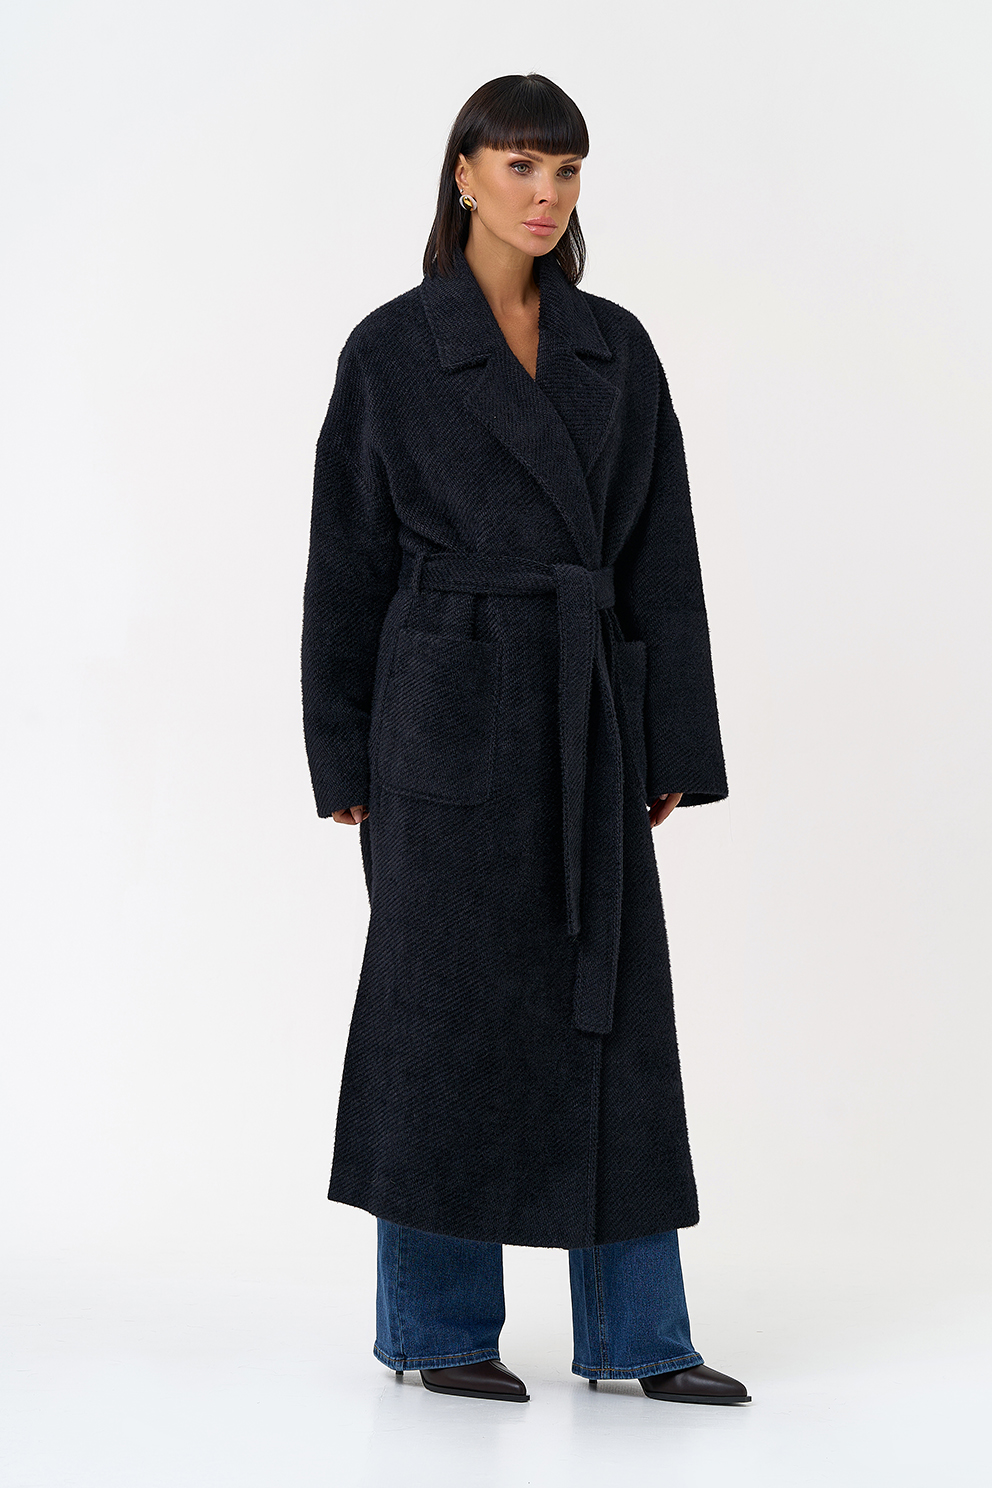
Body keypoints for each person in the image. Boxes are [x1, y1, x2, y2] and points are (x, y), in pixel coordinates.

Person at [301, 73, 750, 1407]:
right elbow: (346, 562)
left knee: (615, 1017)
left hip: (585, 709)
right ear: (464, 174)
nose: (546, 196)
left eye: (565, 171)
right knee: (441, 1022)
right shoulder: (393, 350)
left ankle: (639, 1337)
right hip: (441, 716)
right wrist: (344, 754)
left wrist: (670, 739)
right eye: (520, 167)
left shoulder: (617, 347)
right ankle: (439, 1329)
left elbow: (661, 554)